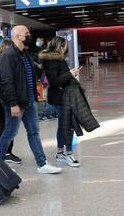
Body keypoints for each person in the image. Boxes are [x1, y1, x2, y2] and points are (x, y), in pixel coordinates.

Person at [0, 25, 62, 174]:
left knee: (34, 132)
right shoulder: (8, 55)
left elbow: (31, 75)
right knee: (10, 132)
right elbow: (7, 81)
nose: (29, 36)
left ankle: (42, 163)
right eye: (26, 34)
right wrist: (13, 104)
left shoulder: (24, 53)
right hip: (17, 103)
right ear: (18, 36)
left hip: (29, 101)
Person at [39, 36, 82, 167]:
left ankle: (60, 153)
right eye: (64, 46)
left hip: (62, 96)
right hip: (59, 97)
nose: (66, 48)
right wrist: (69, 73)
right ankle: (68, 154)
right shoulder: (52, 61)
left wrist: (69, 74)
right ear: (59, 46)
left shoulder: (57, 59)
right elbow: (54, 81)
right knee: (68, 124)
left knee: (63, 124)